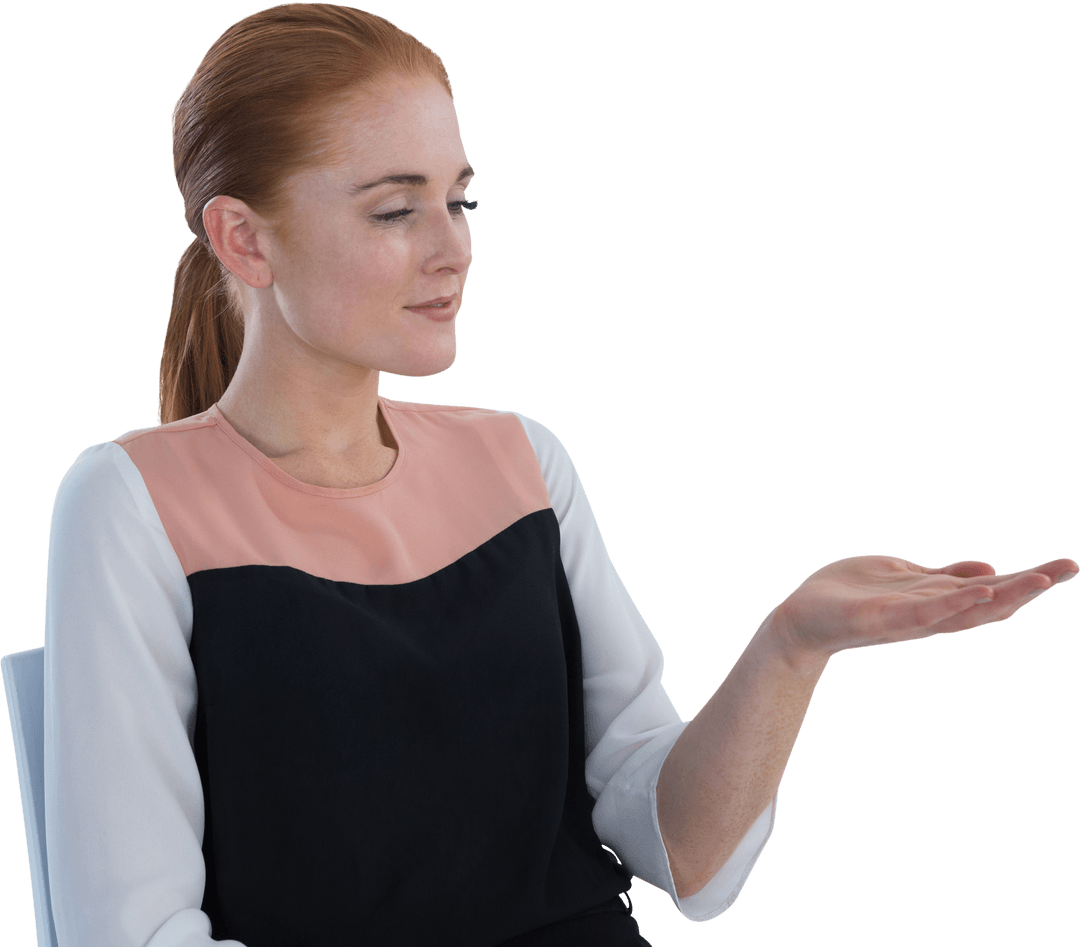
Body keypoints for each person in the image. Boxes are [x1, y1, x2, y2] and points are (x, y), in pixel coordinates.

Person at [40, 4, 1077, 947]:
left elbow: (679, 851)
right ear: (243, 239)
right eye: (395, 211)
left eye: (461, 199)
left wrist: (792, 645)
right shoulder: (130, 502)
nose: (454, 249)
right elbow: (134, 933)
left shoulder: (522, 460)